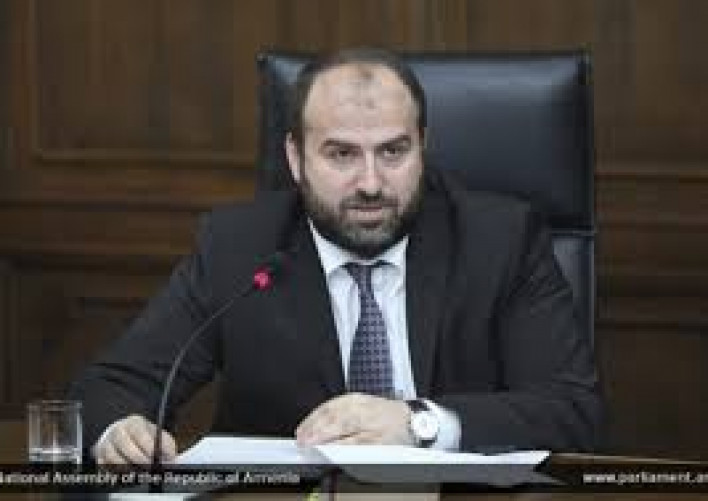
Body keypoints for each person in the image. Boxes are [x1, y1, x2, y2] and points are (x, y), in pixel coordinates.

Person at [69, 48, 602, 465]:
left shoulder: (500, 240)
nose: (370, 183)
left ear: (423, 146)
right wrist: (121, 430)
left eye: (393, 151)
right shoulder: (239, 246)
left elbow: (572, 410)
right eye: (342, 154)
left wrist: (419, 423)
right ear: (295, 158)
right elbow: (112, 386)